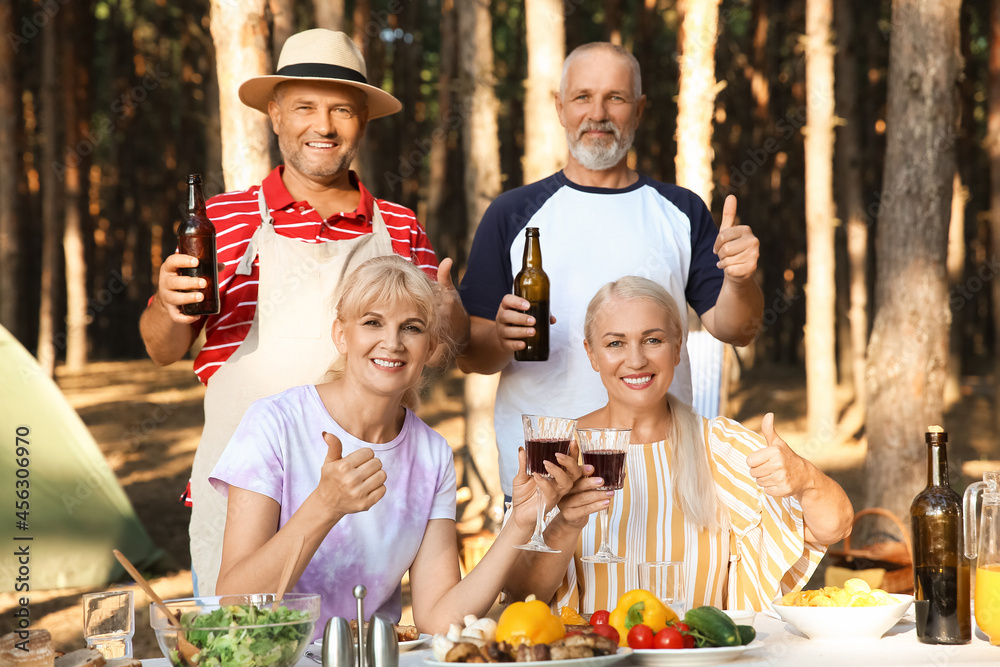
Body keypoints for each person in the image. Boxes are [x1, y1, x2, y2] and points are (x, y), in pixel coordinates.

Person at [138, 29, 467, 597]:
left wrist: (453, 313)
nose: (324, 126)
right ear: (274, 114)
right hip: (241, 497)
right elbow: (163, 348)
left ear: (363, 120)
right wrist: (169, 306)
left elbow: (439, 347)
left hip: (365, 495)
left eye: (342, 109)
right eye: (305, 107)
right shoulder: (222, 219)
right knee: (239, 642)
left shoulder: (401, 227)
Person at [457, 41, 763, 502]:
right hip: (548, 471)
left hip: (661, 469)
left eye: (615, 98)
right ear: (559, 108)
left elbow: (736, 328)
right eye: (582, 97)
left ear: (638, 110)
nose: (597, 113)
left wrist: (740, 279)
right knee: (546, 579)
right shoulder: (511, 213)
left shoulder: (681, 211)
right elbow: (469, 357)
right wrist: (500, 338)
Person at [210, 256, 574, 634]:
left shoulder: (432, 453)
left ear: (431, 347)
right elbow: (235, 601)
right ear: (341, 334)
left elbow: (437, 617)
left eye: (411, 328)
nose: (392, 342)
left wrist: (518, 525)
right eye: (372, 322)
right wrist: (324, 506)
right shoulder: (274, 423)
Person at [505, 277, 853, 612]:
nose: (636, 359)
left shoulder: (720, 446)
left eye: (653, 340)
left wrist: (806, 478)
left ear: (677, 347)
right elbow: (520, 593)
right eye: (615, 343)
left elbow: (837, 526)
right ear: (592, 354)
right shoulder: (558, 453)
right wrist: (565, 524)